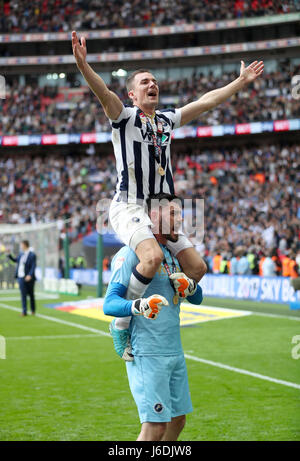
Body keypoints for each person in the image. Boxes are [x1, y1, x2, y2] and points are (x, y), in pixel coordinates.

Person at [72, 30, 263, 310]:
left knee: (197, 269)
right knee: (152, 257)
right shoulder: (124, 117)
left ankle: (173, 297)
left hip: (162, 211)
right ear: (132, 94)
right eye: (145, 82)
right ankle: (123, 320)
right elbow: (104, 93)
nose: (153, 85)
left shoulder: (166, 120)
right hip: (130, 205)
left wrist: (240, 81)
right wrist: (83, 66)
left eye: (155, 81)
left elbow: (206, 102)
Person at [103, 193, 203, 441]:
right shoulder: (129, 254)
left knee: (177, 421)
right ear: (154, 216)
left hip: (174, 350)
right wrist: (140, 305)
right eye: (172, 214)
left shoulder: (171, 254)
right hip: (146, 352)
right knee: (154, 427)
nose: (179, 220)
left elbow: (198, 298)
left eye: (179, 213)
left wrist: (190, 287)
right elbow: (110, 304)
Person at [7, 240, 36, 316]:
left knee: (31, 294)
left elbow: (33, 266)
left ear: (25, 245)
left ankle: (33, 310)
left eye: (21, 245)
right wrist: (9, 254)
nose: (21, 246)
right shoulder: (21, 254)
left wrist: (30, 275)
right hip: (21, 277)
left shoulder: (32, 255)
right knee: (23, 294)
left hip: (29, 277)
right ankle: (24, 311)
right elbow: (15, 260)